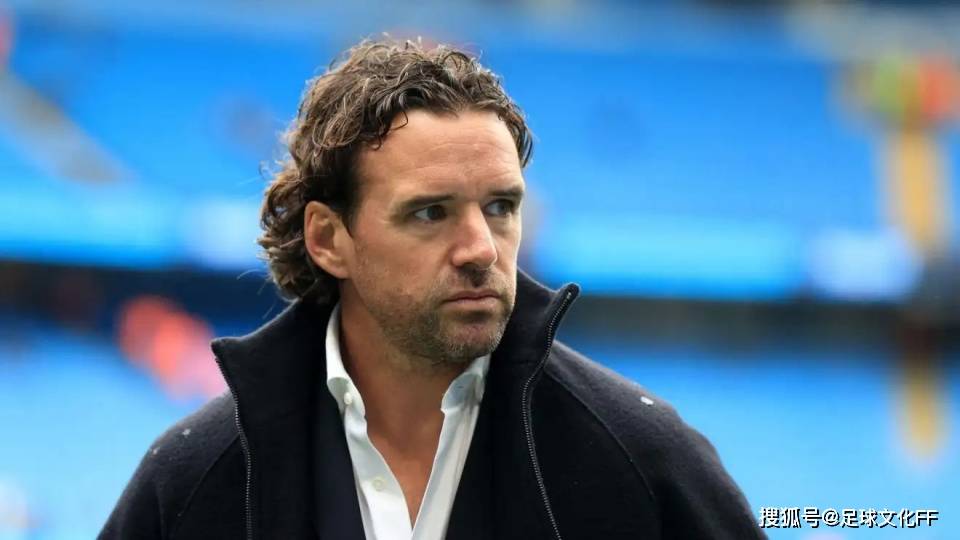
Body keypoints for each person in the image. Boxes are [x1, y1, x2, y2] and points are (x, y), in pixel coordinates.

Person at [100, 38, 765, 540]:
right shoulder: (198, 478)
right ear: (328, 238)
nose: (482, 249)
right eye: (430, 213)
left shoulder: (638, 457)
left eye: (501, 207)